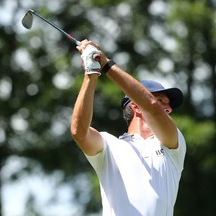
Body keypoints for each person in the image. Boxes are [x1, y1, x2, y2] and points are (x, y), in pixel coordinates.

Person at [70, 40, 186, 216]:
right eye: (162, 101)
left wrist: (105, 63)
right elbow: (79, 132)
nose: (168, 108)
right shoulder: (109, 145)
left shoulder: (171, 145)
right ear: (136, 106)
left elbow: (152, 107)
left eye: (168, 105)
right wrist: (91, 74)